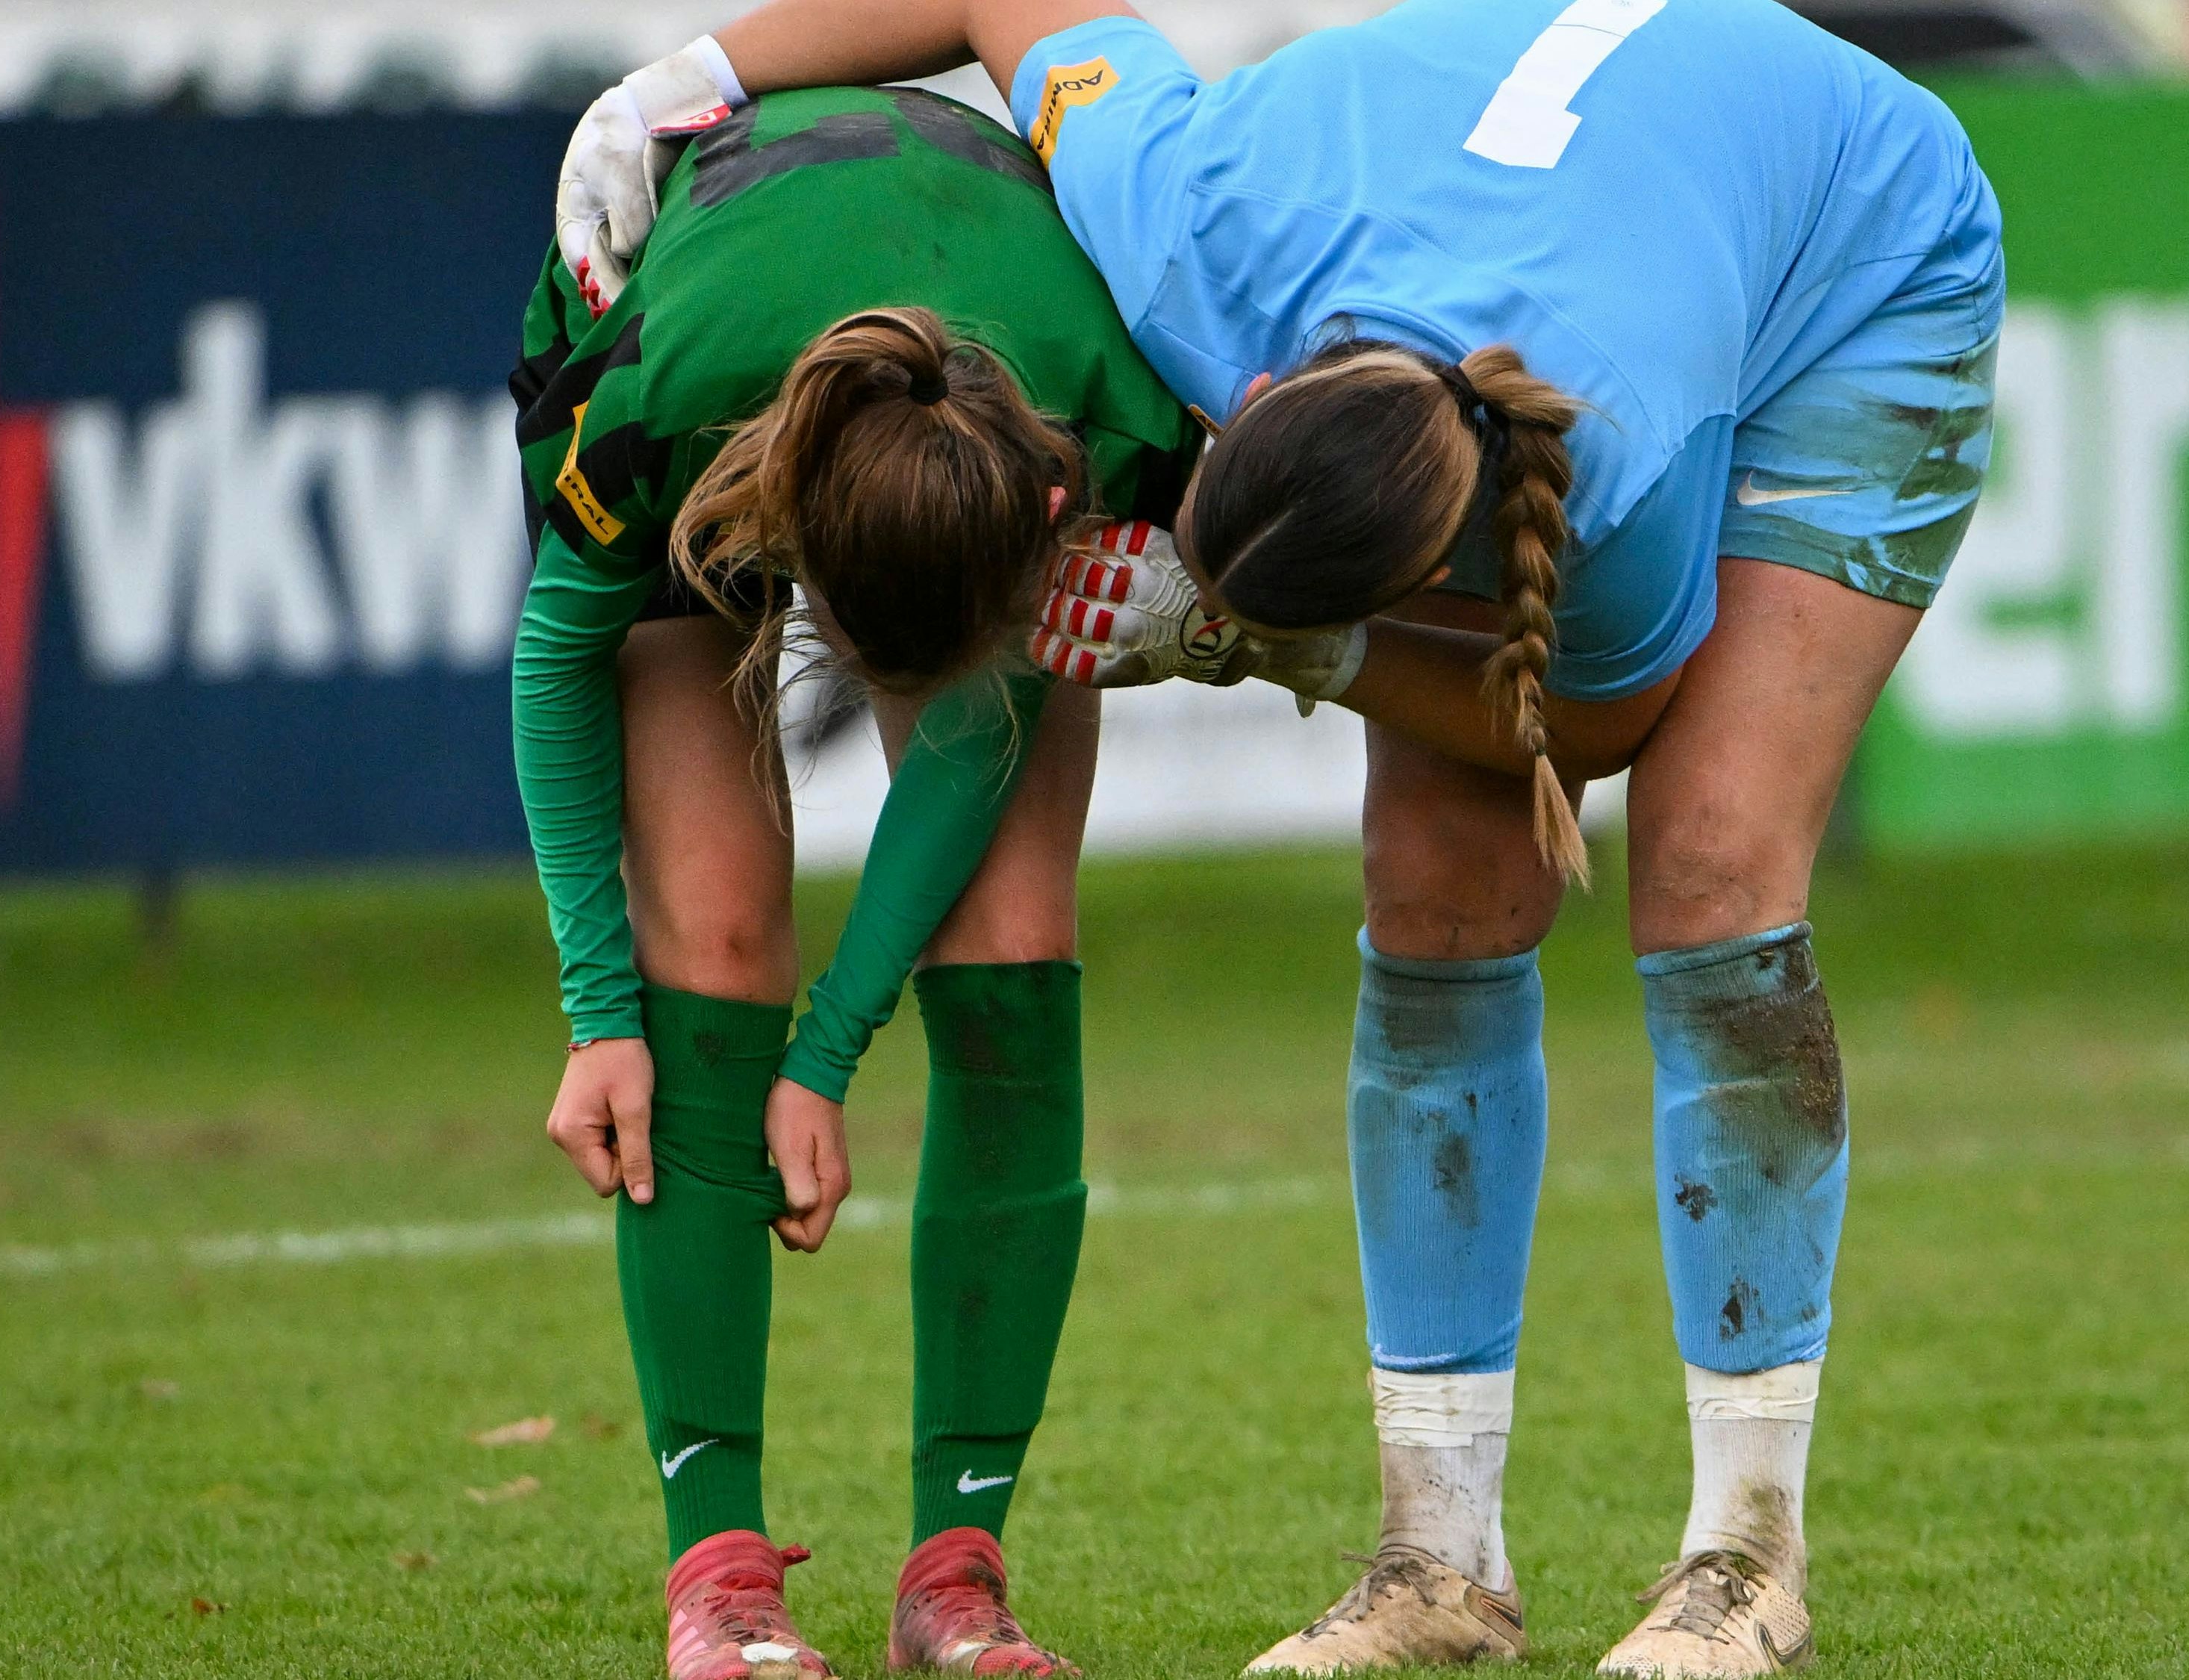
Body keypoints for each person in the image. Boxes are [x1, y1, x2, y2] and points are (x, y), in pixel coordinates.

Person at [561, 4, 2001, 1676]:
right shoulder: (1184, 231)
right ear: (1243, 395)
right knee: (1435, 883)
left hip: (1855, 252)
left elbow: (1596, 725)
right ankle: (1435, 1561)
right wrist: (691, 78)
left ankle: (1744, 1559)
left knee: (1705, 859)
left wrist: (1288, 647)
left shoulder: (1611, 459)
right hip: (1555, 180)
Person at [518, 75, 1201, 1680]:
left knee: (1015, 938)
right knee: (716, 931)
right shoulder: (655, 395)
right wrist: (595, 1010)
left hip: (987, 340)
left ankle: (955, 1573)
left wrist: (833, 1055)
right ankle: (720, 1579)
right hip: (714, 340)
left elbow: (972, 740)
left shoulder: (1110, 420)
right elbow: (557, 662)